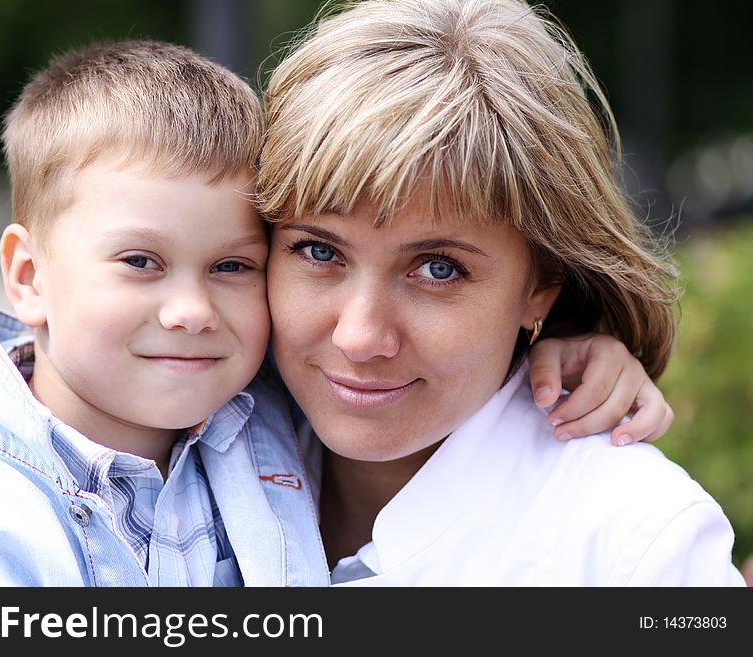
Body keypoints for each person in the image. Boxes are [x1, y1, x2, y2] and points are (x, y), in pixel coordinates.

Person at [0, 37, 671, 587]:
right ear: (28, 274)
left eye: (230, 267)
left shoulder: (248, 409)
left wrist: (572, 347)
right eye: (319, 251)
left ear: (541, 287)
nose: (189, 311)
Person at [256, 0, 746, 585]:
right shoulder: (182, 445)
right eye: (319, 252)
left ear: (541, 284)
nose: (360, 337)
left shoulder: (633, 544)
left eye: (437, 269)